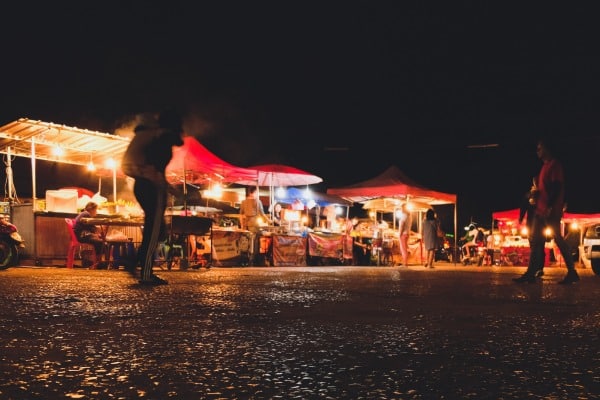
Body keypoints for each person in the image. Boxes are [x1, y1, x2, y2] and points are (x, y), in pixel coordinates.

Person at [121, 110, 184, 285]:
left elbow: (154, 170)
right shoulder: (160, 139)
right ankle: (145, 273)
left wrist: (172, 191)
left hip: (144, 185)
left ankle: (134, 262)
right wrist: (169, 190)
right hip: (150, 188)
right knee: (154, 231)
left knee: (157, 231)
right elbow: (155, 170)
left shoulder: (149, 135)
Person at [513, 138, 579, 284]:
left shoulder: (555, 165)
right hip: (540, 210)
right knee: (535, 241)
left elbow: (556, 186)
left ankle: (572, 272)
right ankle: (531, 273)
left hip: (550, 211)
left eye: (540, 148)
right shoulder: (544, 167)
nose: (538, 151)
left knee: (558, 240)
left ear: (548, 149)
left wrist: (549, 206)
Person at [519, 182, 545, 277]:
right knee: (533, 245)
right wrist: (520, 218)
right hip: (531, 223)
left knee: (540, 246)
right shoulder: (529, 195)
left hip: (540, 222)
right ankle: (534, 269)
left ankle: (538, 268)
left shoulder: (542, 194)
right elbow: (523, 207)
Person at [239, 186, 268, 265]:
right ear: (254, 192)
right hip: (255, 224)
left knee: (246, 242)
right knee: (255, 242)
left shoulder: (243, 202)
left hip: (245, 225)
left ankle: (246, 259)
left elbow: (241, 215)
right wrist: (269, 220)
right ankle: (253, 259)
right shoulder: (258, 202)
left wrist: (242, 225)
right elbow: (262, 214)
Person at [73, 201, 105, 268]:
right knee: (100, 242)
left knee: (99, 240)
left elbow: (90, 228)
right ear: (92, 209)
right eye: (96, 210)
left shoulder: (84, 213)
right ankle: (98, 263)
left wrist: (96, 231)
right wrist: (98, 230)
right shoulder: (86, 214)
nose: (96, 212)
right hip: (81, 236)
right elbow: (92, 229)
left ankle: (98, 262)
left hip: (79, 235)